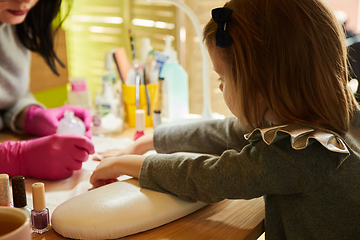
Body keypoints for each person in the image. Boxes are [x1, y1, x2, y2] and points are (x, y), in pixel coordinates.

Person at [90, 0, 360, 238]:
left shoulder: (305, 153)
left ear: (260, 84)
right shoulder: (334, 116)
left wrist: (125, 164)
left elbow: (210, 177)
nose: (220, 87)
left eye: (223, 78)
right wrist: (149, 141)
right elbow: (229, 131)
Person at [0, 0, 95, 180]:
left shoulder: (13, 21)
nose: (24, 0)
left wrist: (29, 115)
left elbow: (7, 97)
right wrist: (15, 158)